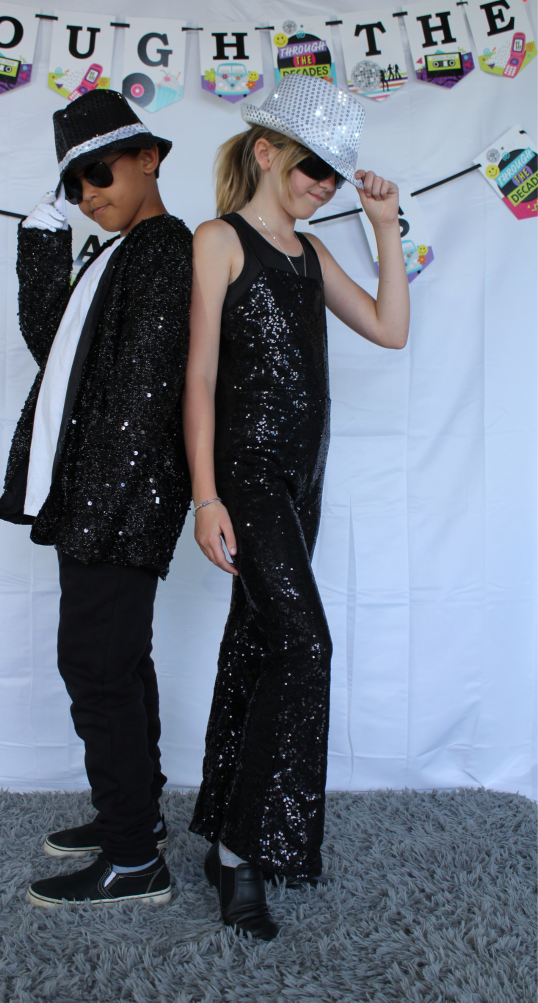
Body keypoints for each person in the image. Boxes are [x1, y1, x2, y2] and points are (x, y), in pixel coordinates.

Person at [184, 75, 409, 939]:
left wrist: (383, 230)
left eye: (336, 176)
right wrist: (205, 494)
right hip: (243, 472)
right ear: (268, 150)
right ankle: (245, 856)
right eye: (315, 166)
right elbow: (199, 375)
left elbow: (390, 330)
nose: (323, 185)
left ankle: (222, 831)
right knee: (306, 643)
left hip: (303, 477)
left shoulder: (312, 255)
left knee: (260, 645)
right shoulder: (220, 239)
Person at [0, 90, 192, 908]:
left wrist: (101, 511)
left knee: (96, 665)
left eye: (97, 173)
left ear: (148, 157)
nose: (86, 196)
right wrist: (43, 244)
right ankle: (132, 819)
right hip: (94, 494)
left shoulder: (166, 250)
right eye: (71, 186)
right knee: (117, 661)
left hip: (121, 496)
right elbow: (56, 351)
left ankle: (133, 857)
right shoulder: (110, 252)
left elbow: (142, 393)